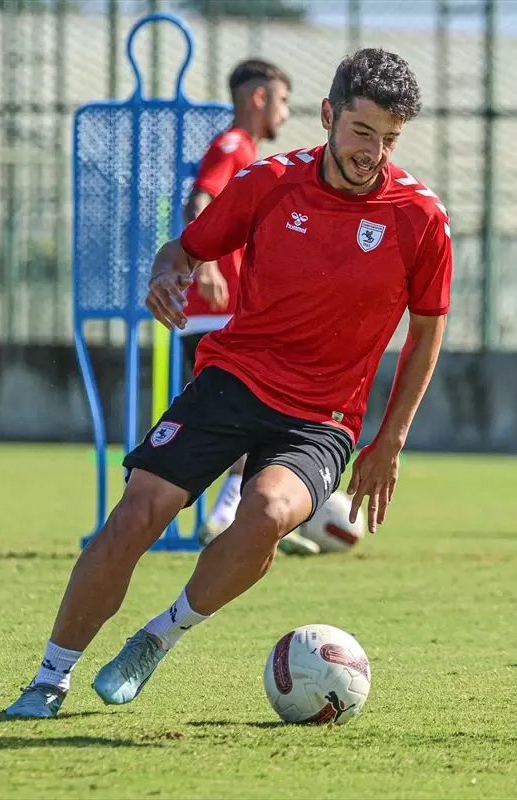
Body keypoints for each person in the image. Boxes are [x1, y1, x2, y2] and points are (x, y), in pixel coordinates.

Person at [6, 48, 451, 719]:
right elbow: (183, 246)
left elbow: (426, 334)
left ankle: (161, 634)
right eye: (362, 133)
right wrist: (167, 275)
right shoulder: (269, 181)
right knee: (137, 514)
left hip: (323, 419)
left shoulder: (419, 218)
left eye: (389, 139)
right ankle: (48, 678)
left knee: (267, 514)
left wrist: (390, 439)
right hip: (233, 382)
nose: (373, 153)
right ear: (329, 116)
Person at [178, 58, 317, 556]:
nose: (285, 110)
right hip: (216, 316)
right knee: (238, 418)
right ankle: (226, 518)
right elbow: (200, 201)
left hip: (231, 315)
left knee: (259, 414)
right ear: (259, 98)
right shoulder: (233, 145)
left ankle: (244, 518)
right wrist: (207, 264)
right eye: (281, 99)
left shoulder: (248, 152)